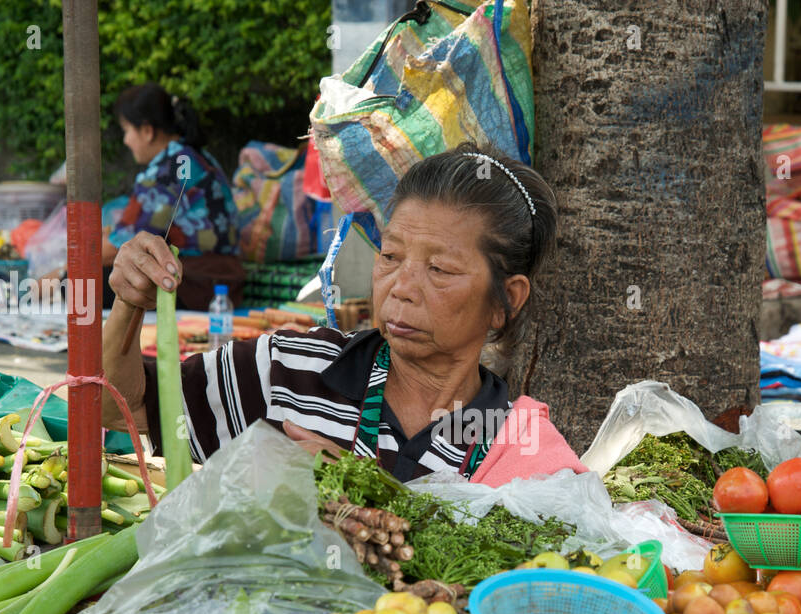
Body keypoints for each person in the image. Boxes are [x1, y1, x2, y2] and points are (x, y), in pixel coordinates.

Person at [102, 142, 586, 485]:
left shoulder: (518, 447)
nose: (401, 288)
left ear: (507, 300)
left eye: (439, 269)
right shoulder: (292, 371)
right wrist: (127, 305)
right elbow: (115, 408)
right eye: (390, 256)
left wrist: (362, 493)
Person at [103, 83, 240, 307]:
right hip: (222, 281)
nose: (126, 140)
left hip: (195, 284)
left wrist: (63, 268)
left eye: (127, 130)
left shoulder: (169, 169)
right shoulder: (192, 156)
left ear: (147, 131)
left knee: (83, 282)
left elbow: (121, 245)